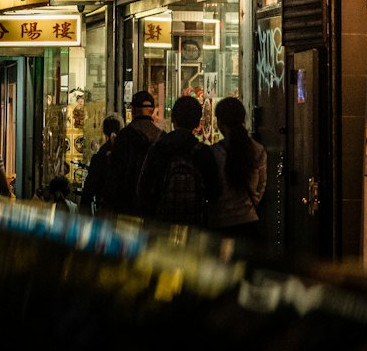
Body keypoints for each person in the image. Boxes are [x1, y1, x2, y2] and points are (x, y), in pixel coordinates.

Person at [137, 94, 219, 227]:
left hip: (163, 225)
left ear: (173, 119)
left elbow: (143, 189)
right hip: (195, 227)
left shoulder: (159, 148)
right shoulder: (203, 152)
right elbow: (215, 192)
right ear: (198, 122)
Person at [207, 96, 267, 240]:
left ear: (220, 121)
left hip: (220, 222)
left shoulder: (214, 152)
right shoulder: (257, 150)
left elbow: (210, 188)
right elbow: (261, 186)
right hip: (248, 221)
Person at [96, 90, 163, 215]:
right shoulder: (161, 137)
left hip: (126, 206)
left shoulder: (124, 136)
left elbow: (115, 175)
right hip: (153, 206)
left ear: (133, 111)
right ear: (153, 111)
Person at [79, 114, 122, 213]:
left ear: (104, 131)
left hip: (104, 211)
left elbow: (88, 191)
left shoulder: (100, 156)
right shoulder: (126, 152)